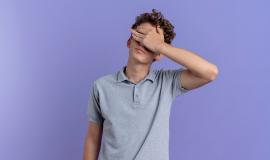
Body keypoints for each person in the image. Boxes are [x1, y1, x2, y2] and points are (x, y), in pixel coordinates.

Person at [83, 9, 219, 160]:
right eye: (140, 36)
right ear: (129, 41)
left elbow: (210, 72)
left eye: (151, 42)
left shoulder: (166, 83)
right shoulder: (101, 86)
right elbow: (93, 139)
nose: (143, 43)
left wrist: (161, 46)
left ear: (159, 54)